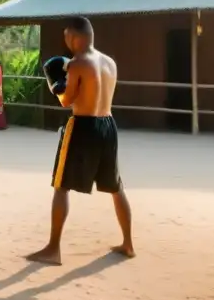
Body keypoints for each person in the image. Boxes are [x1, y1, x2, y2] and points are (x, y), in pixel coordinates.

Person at [26, 16, 135, 266]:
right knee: (116, 186)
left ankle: (53, 249)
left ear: (75, 37)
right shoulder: (110, 62)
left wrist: (55, 84)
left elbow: (67, 100)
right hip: (108, 125)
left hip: (83, 126)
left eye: (67, 36)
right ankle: (128, 244)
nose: (65, 40)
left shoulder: (78, 64)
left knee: (61, 185)